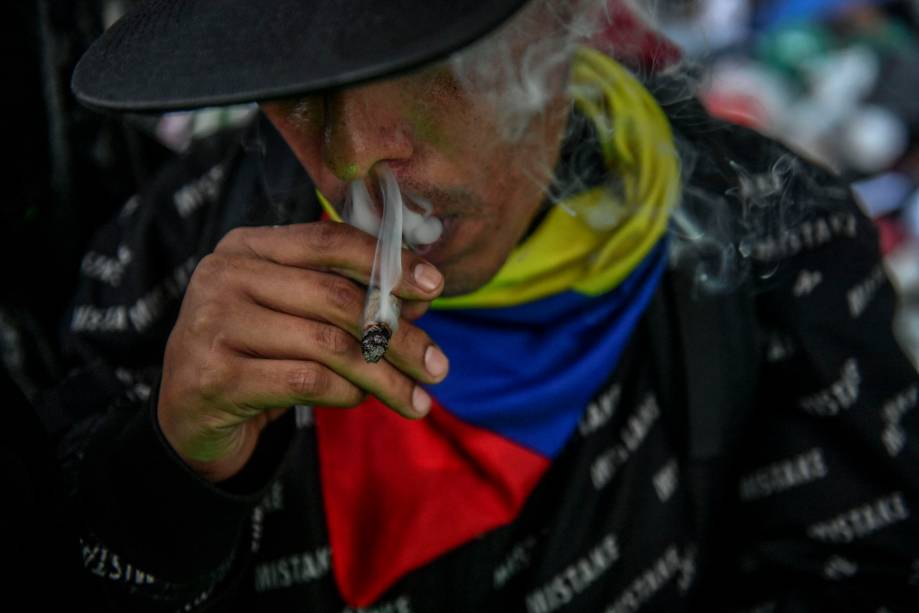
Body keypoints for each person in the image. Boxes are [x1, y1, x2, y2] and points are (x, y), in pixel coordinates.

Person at [53, 0, 919, 611]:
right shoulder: (174, 245)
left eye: (422, 61)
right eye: (301, 82)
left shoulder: (780, 243)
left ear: (561, 18)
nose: (356, 154)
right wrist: (175, 471)